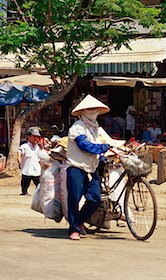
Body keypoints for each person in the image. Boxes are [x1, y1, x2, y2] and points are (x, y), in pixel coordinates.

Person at [66, 95, 111, 240]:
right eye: (90, 109)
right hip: (76, 168)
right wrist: (103, 147)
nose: (93, 111)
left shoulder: (96, 128)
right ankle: (73, 229)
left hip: (92, 169)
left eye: (95, 109)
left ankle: (78, 221)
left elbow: (104, 143)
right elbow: (84, 145)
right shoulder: (77, 127)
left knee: (95, 198)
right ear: (83, 111)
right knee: (74, 198)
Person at [19, 126, 42, 196]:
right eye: (34, 136)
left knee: (39, 183)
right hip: (27, 169)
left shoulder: (38, 147)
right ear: (29, 137)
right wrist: (19, 160)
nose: (35, 138)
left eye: (37, 137)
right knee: (25, 182)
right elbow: (19, 151)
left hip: (36, 169)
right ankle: (24, 192)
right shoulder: (25, 146)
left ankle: (39, 193)